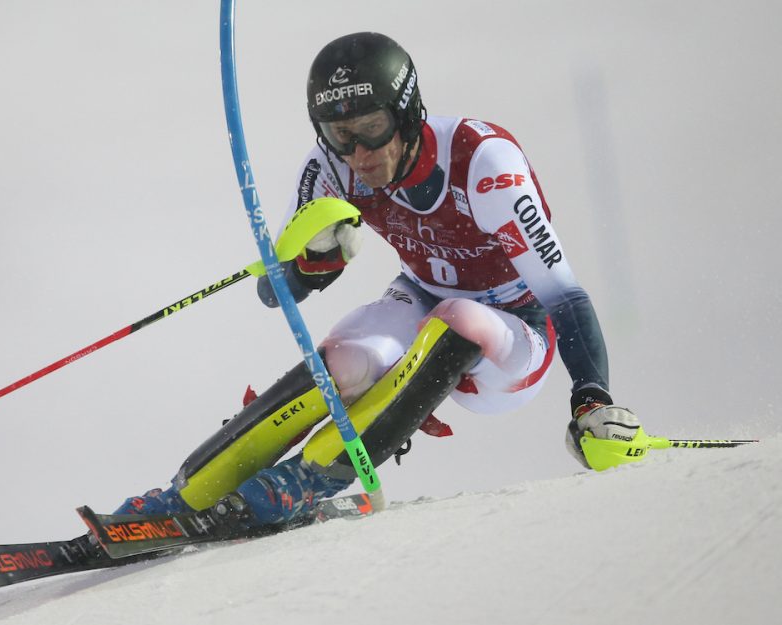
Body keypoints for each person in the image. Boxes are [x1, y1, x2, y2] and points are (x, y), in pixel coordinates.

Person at [114, 32, 641, 526]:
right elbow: (275, 292)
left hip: (517, 334)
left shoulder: (483, 164)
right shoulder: (330, 167)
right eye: (341, 135)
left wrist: (591, 399)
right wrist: (313, 262)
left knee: (458, 318)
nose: (359, 155)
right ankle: (183, 494)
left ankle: (302, 482)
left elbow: (564, 293)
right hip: (421, 295)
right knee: (346, 359)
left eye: (372, 130)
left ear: (407, 115)